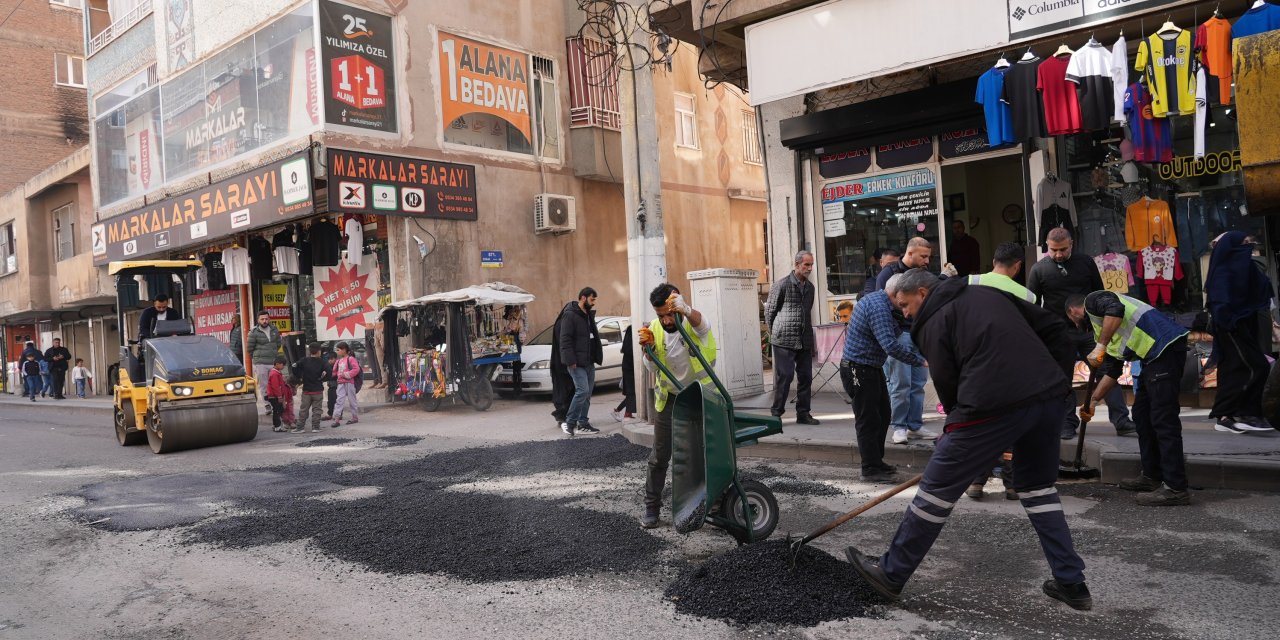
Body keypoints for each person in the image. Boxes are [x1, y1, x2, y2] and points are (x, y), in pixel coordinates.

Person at [848, 269, 1091, 611]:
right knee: (1038, 489)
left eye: (904, 305)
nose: (905, 314)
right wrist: (1057, 383)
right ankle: (1071, 582)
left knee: (935, 492)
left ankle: (891, 573)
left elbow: (948, 386)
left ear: (922, 293)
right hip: (1047, 398)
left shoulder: (931, 321)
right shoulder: (989, 293)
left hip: (989, 405)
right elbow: (1054, 329)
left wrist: (955, 432)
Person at [1072, 291, 1192, 506]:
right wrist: (1092, 401)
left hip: (1166, 348)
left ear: (1073, 311)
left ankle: (1176, 488)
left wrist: (1100, 346)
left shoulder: (1094, 300)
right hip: (1153, 358)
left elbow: (1115, 308)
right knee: (1142, 416)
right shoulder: (1102, 329)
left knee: (1163, 420)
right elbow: (1113, 371)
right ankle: (1152, 476)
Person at [1027, 228, 1136, 440]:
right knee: (1062, 380)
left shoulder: (1086, 262)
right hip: (1058, 333)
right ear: (1047, 246)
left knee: (1106, 372)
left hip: (1089, 332)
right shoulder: (1039, 269)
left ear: (1071, 244)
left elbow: (1101, 293)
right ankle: (1066, 423)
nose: (1058, 254)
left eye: (1063, 249)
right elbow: (1033, 304)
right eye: (1053, 250)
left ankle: (1121, 420)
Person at [638, 284, 715, 528]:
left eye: (670, 314)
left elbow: (704, 327)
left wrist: (686, 309)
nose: (666, 320)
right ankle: (651, 507)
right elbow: (652, 367)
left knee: (705, 452)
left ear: (677, 305)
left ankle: (715, 501)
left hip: (700, 398)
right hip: (670, 399)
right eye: (661, 315)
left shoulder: (691, 322)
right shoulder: (654, 329)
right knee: (660, 456)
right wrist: (648, 352)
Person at [965, 242, 1035, 500]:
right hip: (1012, 371)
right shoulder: (1028, 296)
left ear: (994, 261)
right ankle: (1013, 485)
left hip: (976, 369)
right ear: (1017, 266)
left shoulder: (969, 283)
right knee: (1012, 428)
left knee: (982, 427)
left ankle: (976, 481)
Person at [839, 277, 927, 482]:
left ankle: (876, 461)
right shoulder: (878, 307)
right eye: (903, 300)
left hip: (870, 367)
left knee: (883, 415)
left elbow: (896, 333)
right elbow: (891, 345)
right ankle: (870, 468)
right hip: (858, 369)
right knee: (868, 420)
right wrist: (919, 361)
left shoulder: (883, 304)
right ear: (896, 293)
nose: (904, 306)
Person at [1205, 231, 1275, 433]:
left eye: (1249, 243)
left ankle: (1225, 416)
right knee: (1256, 366)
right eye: (1243, 243)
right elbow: (1220, 303)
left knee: (1232, 370)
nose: (1248, 247)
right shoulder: (1223, 272)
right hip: (1231, 327)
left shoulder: (1246, 268)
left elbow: (1263, 290)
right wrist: (1230, 322)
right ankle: (1246, 414)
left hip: (1246, 325)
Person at [874, 238, 939, 443]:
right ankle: (899, 426)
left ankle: (914, 425)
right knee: (900, 383)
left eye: (928, 257)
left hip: (919, 333)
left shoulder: (922, 274)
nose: (927, 261)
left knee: (918, 383)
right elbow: (881, 305)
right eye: (923, 256)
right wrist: (894, 335)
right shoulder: (889, 273)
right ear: (910, 253)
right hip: (899, 334)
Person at [766, 250, 821, 424]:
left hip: (804, 339)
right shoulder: (781, 285)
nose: (810, 268)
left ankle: (803, 414)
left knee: (806, 377)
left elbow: (807, 312)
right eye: (806, 264)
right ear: (797, 265)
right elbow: (770, 312)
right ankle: (776, 413)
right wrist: (775, 332)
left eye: (811, 265)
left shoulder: (810, 288)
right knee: (785, 376)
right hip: (783, 339)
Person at [558, 287, 603, 436]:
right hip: (576, 363)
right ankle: (569, 423)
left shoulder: (588, 315)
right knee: (582, 391)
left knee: (587, 394)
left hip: (589, 361)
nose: (594, 302)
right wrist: (570, 360)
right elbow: (565, 339)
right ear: (583, 298)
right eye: (592, 299)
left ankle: (583, 424)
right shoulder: (570, 315)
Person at [246, 310, 282, 415]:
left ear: (269, 319)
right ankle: (267, 405)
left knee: (275, 384)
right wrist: (257, 359)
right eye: (262, 319)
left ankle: (276, 404)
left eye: (266, 319)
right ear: (258, 320)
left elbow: (278, 344)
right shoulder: (253, 332)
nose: (265, 321)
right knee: (264, 385)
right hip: (261, 363)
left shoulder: (274, 329)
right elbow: (249, 349)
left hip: (273, 361)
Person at [292, 344, 329, 433]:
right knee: (317, 410)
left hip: (306, 390)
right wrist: (322, 379)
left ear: (310, 351)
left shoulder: (304, 360)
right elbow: (329, 372)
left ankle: (300, 428)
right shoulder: (322, 362)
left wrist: (299, 377)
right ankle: (316, 427)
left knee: (303, 410)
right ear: (319, 351)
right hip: (318, 390)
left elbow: (294, 366)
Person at [329, 341, 361, 426]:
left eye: (338, 350)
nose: (337, 352)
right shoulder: (338, 361)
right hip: (340, 383)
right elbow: (334, 372)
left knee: (352, 400)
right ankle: (337, 419)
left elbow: (356, 369)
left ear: (344, 350)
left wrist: (346, 374)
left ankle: (354, 417)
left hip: (350, 383)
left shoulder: (351, 359)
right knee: (339, 400)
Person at [612, 324, 636, 422]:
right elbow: (630, 351)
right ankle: (624, 412)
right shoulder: (630, 342)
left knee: (633, 392)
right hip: (630, 368)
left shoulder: (629, 340)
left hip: (630, 367)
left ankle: (624, 412)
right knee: (632, 392)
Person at [504, 306, 526, 396]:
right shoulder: (514, 320)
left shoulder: (518, 320)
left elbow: (519, 333)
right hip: (514, 342)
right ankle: (517, 387)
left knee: (517, 367)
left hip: (515, 342)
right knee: (516, 367)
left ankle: (518, 387)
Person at [266, 356, 291, 433]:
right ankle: (278, 426)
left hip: (275, 395)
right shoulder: (274, 374)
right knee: (277, 411)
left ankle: (275, 425)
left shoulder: (276, 373)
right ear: (277, 364)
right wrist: (279, 396)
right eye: (282, 365)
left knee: (277, 410)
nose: (283, 366)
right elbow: (275, 386)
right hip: (275, 396)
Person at [323, 351, 338, 420]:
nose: (330, 361)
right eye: (329, 359)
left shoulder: (338, 365)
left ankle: (338, 415)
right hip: (331, 386)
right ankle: (330, 414)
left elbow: (335, 376)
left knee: (337, 401)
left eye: (332, 359)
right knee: (330, 401)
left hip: (337, 386)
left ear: (335, 358)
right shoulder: (328, 366)